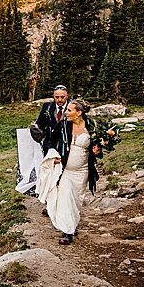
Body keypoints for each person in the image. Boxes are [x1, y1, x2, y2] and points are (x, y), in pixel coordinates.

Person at [37, 97, 100, 245]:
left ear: (78, 113)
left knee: (76, 199)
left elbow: (98, 146)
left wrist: (97, 151)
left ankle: (72, 224)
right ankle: (67, 231)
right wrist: (54, 155)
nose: (65, 112)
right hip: (66, 171)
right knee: (65, 199)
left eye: (69, 110)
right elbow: (49, 141)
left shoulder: (91, 126)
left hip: (83, 171)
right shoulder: (63, 125)